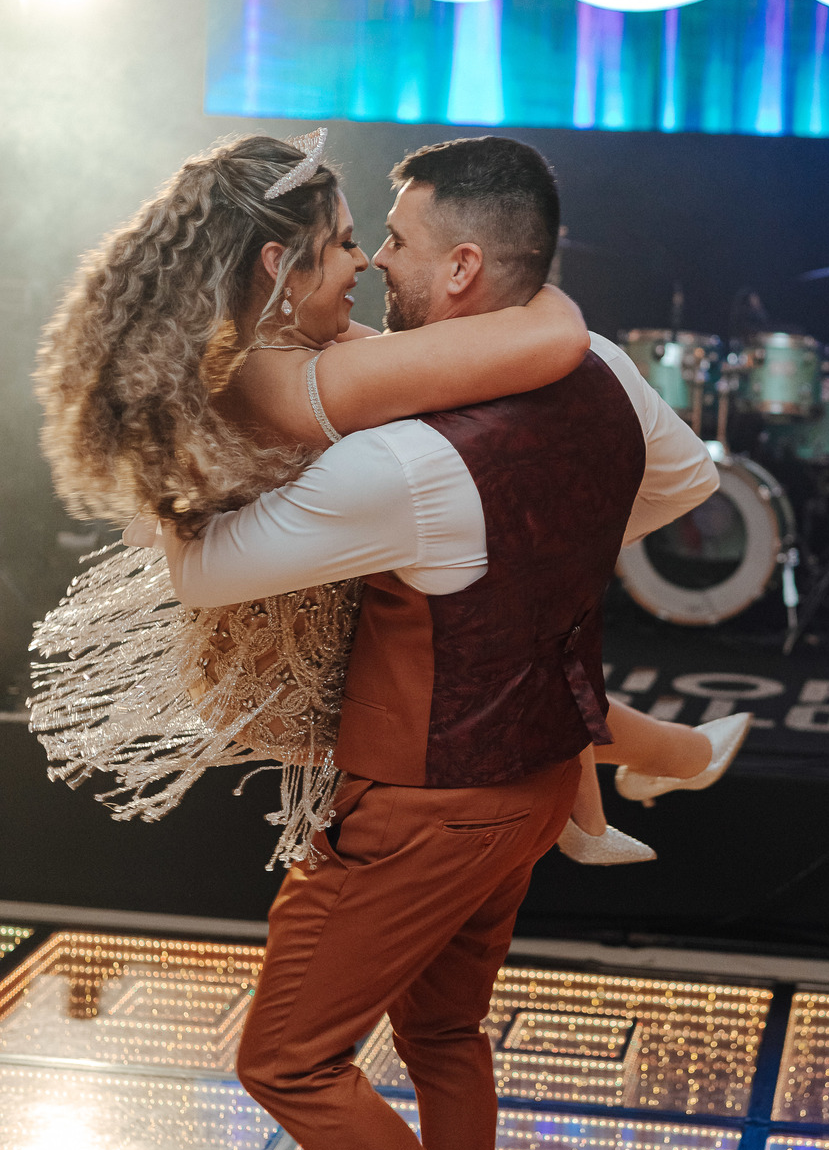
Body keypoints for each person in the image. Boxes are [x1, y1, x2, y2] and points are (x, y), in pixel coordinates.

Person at [33, 130, 742, 1150]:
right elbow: (684, 485)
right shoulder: (601, 370)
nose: (373, 268)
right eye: (357, 244)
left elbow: (204, 572)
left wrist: (172, 466)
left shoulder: (399, 467)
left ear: (462, 269)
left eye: (395, 243)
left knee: (289, 1057)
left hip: (425, 807)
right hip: (532, 785)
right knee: (444, 1037)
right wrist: (534, 556)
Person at [34, 131, 749, 865]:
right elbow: (558, 338)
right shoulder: (316, 380)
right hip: (292, 606)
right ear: (279, 266)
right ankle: (657, 770)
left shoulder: (255, 349)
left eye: (380, 239)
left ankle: (634, 783)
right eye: (346, 241)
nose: (367, 259)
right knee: (504, 648)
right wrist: (544, 294)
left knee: (508, 638)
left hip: (304, 578)